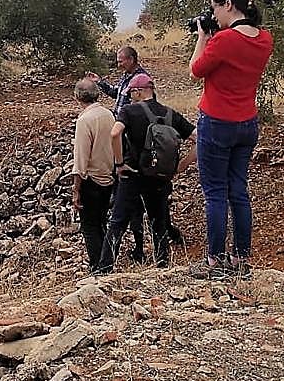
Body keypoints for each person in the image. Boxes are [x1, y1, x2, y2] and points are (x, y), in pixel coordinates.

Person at [188, 0, 273, 279]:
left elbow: (196, 69)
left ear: (227, 5)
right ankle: (241, 257)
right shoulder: (264, 38)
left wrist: (202, 37)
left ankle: (214, 259)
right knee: (238, 189)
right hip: (247, 122)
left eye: (214, 8)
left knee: (214, 192)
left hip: (216, 121)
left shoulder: (223, 40)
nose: (213, 14)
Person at [104, 73, 197, 268]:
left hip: (132, 174)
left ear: (138, 92)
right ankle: (162, 265)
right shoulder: (171, 113)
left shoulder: (129, 111)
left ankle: (103, 268)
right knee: (159, 222)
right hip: (160, 176)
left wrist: (120, 164)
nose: (129, 97)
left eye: (131, 93)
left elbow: (114, 133)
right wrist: (182, 165)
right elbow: (200, 138)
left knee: (118, 221)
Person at [88, 48, 150, 258]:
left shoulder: (142, 80)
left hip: (131, 143)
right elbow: (117, 94)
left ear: (132, 59)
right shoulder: (127, 78)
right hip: (122, 139)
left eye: (121, 61)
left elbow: (144, 112)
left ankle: (134, 246)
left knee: (131, 195)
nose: (119, 64)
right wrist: (100, 82)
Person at [70, 76, 118, 273]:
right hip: (109, 177)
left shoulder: (84, 120)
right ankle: (107, 262)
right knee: (102, 223)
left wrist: (76, 189)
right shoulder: (109, 115)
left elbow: (80, 159)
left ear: (77, 97)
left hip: (91, 180)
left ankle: (98, 267)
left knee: (89, 227)